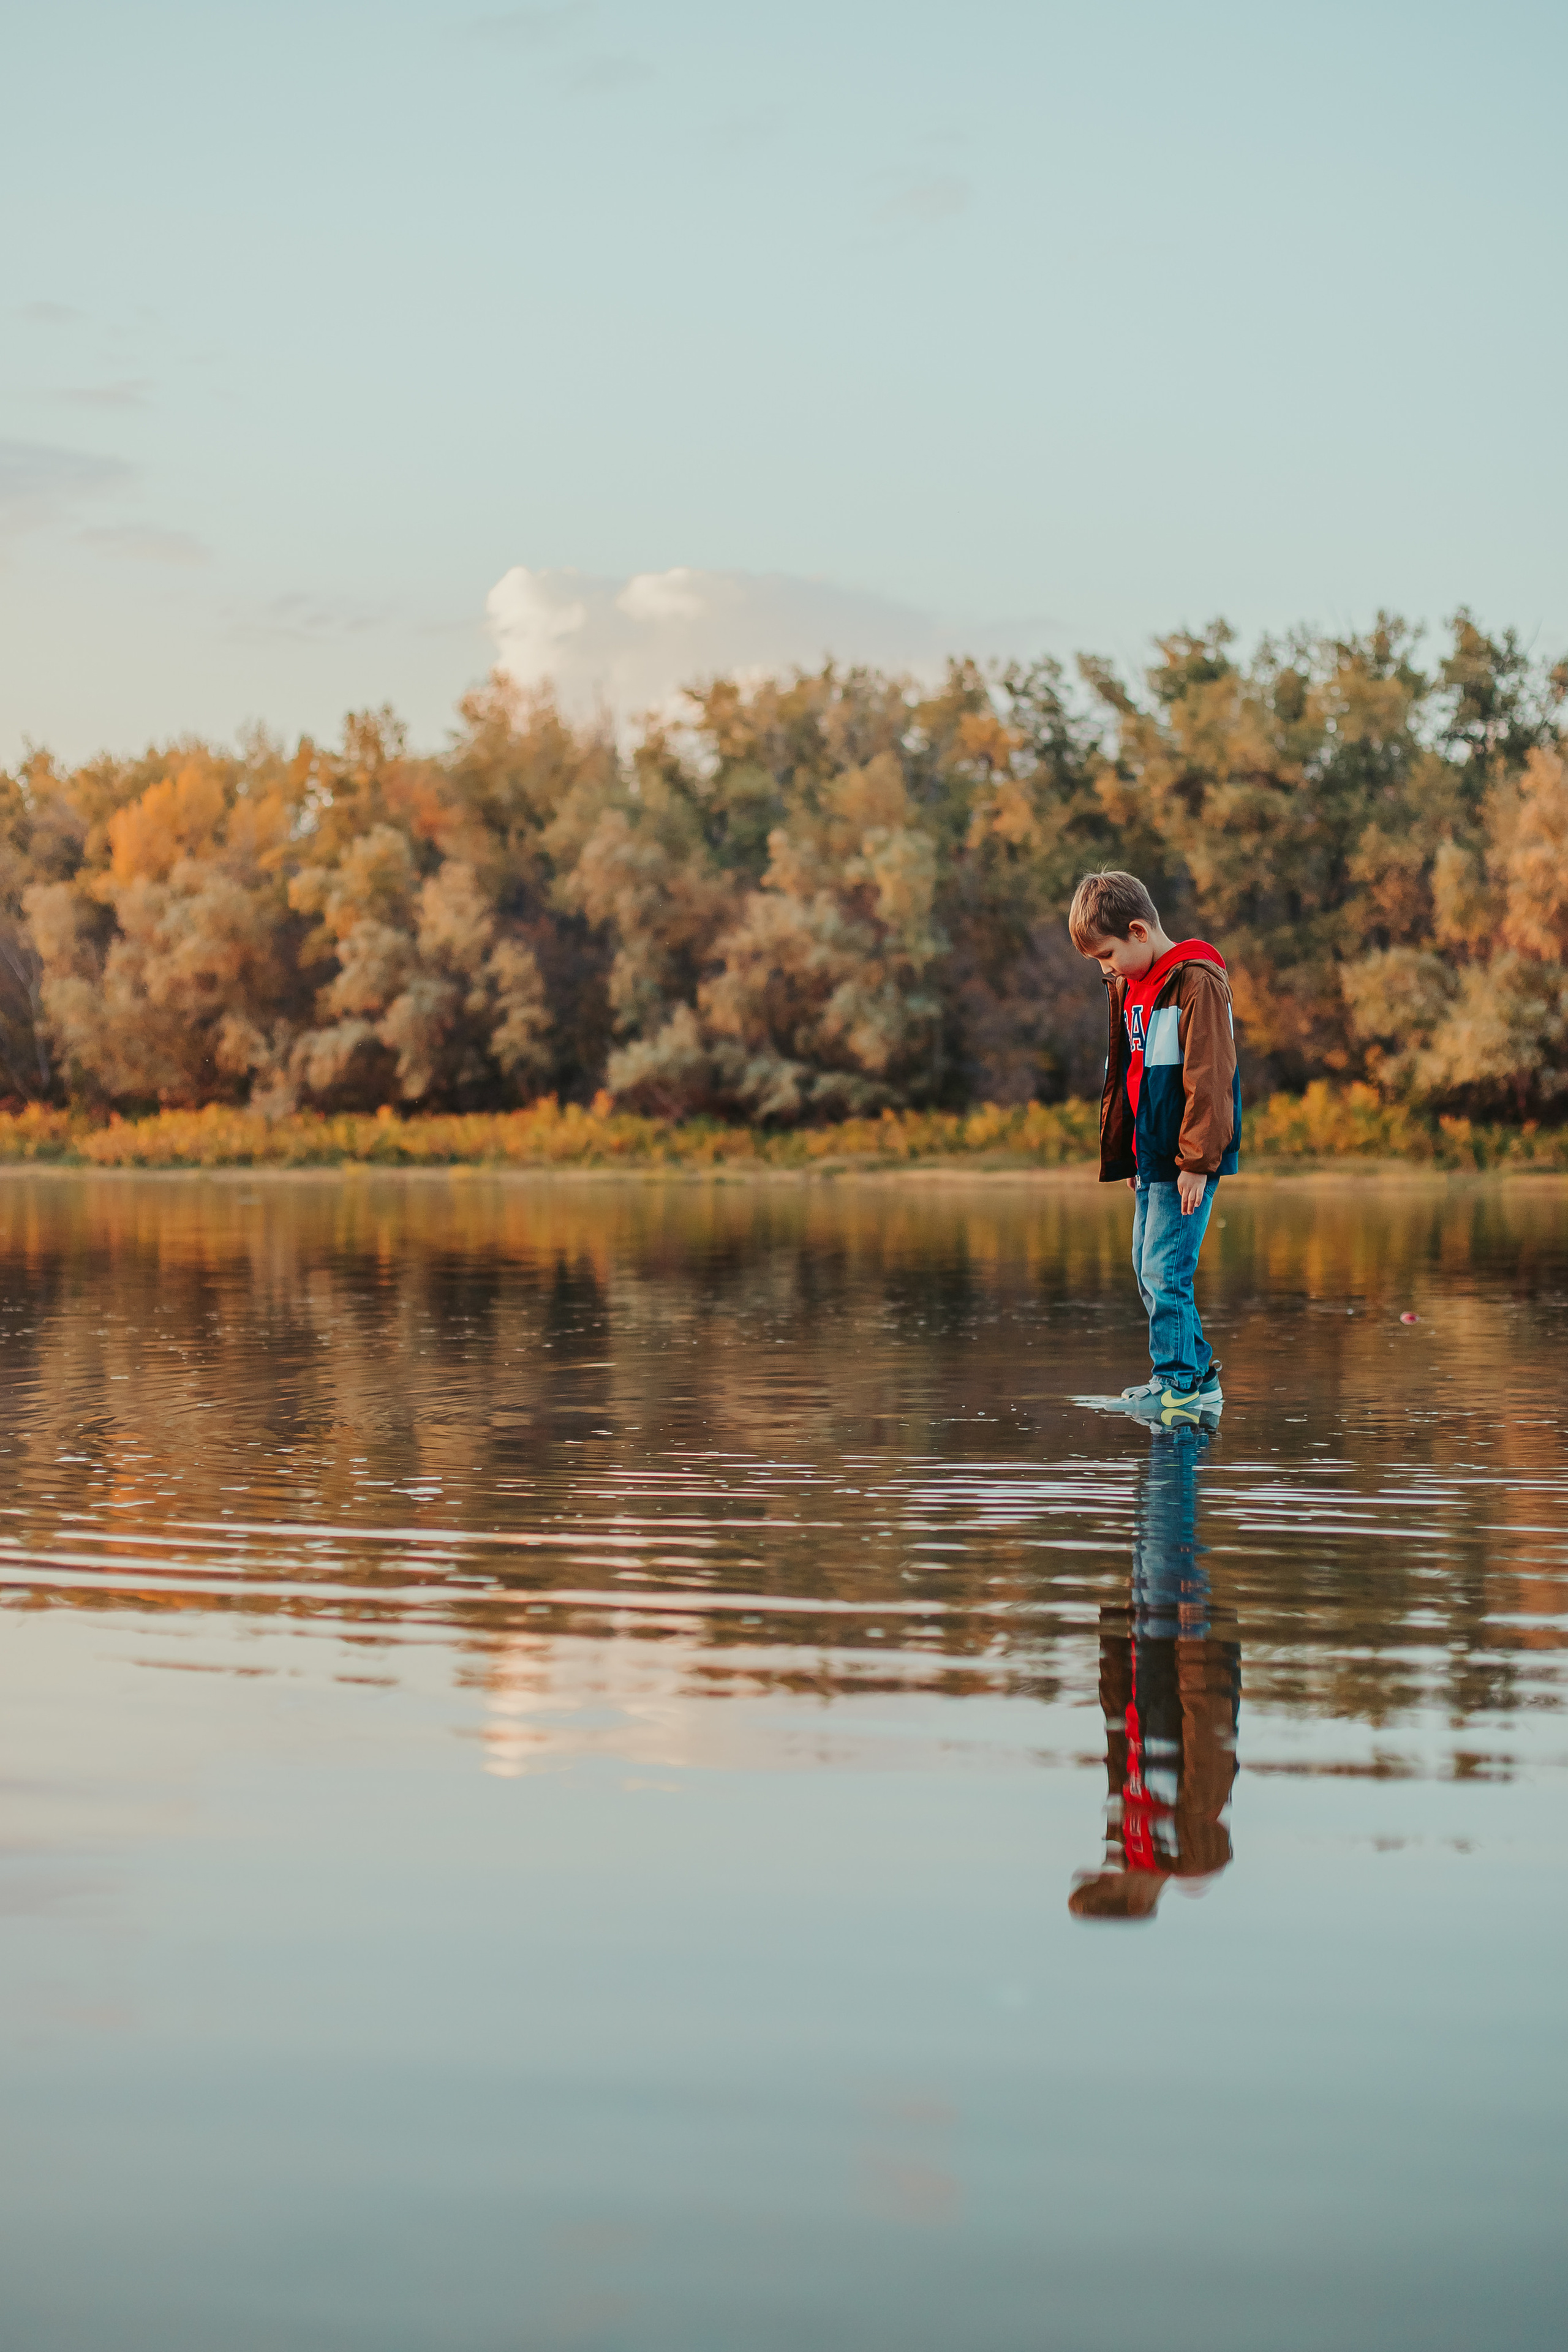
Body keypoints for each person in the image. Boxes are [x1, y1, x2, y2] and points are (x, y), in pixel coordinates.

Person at [1068, 867, 1240, 1425]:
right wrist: (1128, 1155)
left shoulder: (1195, 981)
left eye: (1108, 955)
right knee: (1148, 1267)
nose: (1106, 968)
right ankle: (1198, 1378)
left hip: (1185, 1158)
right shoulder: (1130, 986)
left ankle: (1175, 1384)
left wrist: (1196, 1161)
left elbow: (1210, 1077)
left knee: (1166, 1271)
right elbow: (1129, 1076)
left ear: (1139, 931)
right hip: (1151, 1157)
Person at [1069, 1422, 1240, 1921]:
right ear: (1132, 1892)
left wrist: (1117, 1640)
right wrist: (1195, 1647)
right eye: (1106, 1876)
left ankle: (1177, 1427)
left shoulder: (1129, 1837)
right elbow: (1209, 1744)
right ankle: (1183, 1427)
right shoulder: (1186, 1851)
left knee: (1151, 1527)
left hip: (1147, 1650)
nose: (1105, 1863)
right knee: (1166, 1522)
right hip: (1178, 1648)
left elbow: (1119, 1739)